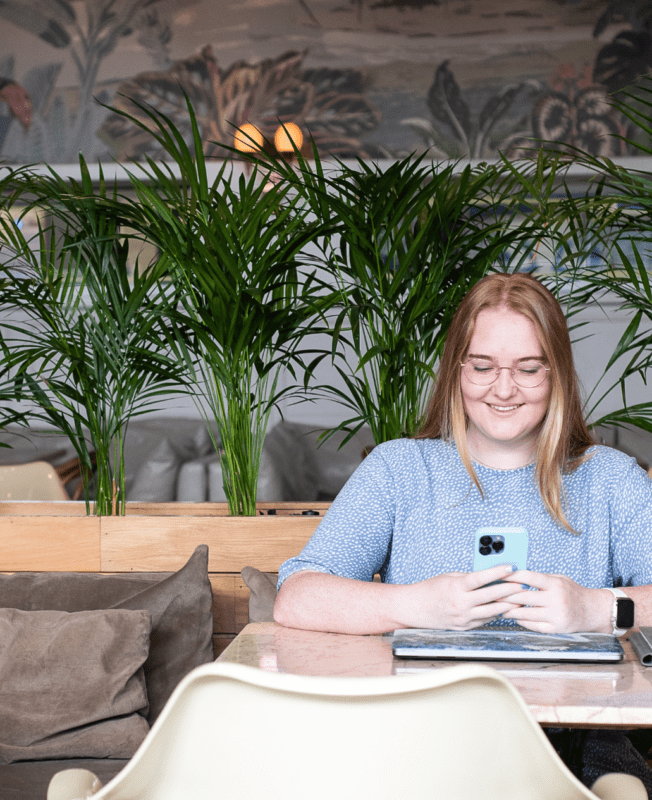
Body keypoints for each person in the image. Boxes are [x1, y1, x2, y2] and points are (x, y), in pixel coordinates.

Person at [274, 272, 652, 792]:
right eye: (482, 367)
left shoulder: (609, 478)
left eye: (528, 368)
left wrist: (600, 609)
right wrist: (416, 606)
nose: (503, 388)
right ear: (456, 370)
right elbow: (297, 597)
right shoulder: (399, 469)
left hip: (580, 738)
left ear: (557, 373)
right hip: (417, 734)